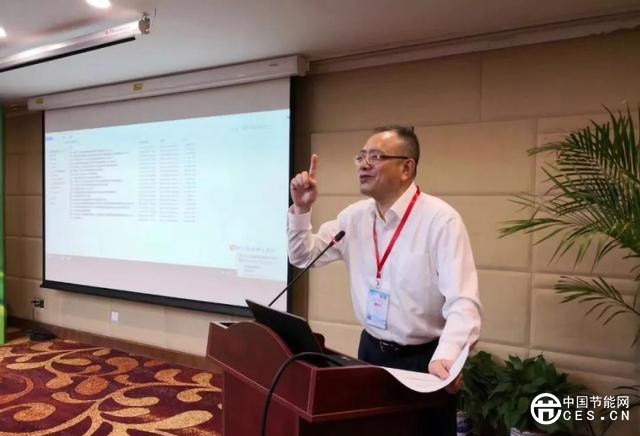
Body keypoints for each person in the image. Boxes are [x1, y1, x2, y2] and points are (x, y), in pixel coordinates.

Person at [287, 126, 482, 435]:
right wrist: (301, 208)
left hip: (423, 361)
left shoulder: (440, 220)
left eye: (376, 157)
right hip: (371, 352)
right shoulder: (353, 218)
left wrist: (446, 358)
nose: (364, 165)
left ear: (407, 168)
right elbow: (302, 256)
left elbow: (463, 302)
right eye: (361, 157)